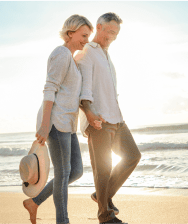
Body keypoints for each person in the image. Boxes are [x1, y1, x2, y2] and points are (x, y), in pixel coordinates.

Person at [23, 14, 93, 224]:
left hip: (67, 125)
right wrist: (45, 125)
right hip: (55, 123)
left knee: (76, 171)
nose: (86, 40)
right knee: (63, 176)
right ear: (70, 33)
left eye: (88, 36)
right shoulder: (61, 54)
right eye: (83, 35)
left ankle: (34, 202)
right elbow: (49, 89)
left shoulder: (71, 59)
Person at [75, 12, 142, 224]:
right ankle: (105, 217)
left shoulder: (106, 54)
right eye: (110, 31)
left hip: (117, 118)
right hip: (99, 120)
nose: (112, 36)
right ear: (99, 27)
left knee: (133, 156)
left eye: (116, 33)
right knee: (102, 170)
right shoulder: (88, 52)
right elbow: (84, 89)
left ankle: (102, 196)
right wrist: (89, 114)